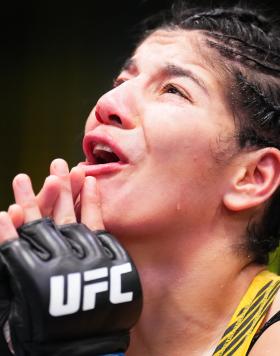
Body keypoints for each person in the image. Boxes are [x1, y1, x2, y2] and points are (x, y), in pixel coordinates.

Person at [1, 1, 280, 355]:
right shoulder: (48, 325)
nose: (107, 103)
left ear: (252, 177)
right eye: (121, 81)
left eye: (173, 90)